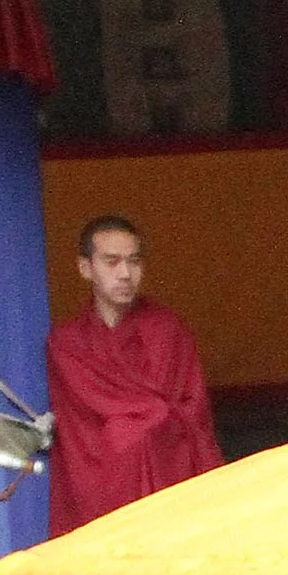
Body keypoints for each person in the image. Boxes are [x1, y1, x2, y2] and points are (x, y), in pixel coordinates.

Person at [44, 215, 222, 538]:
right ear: (85, 268)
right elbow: (78, 431)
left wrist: (147, 423)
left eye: (134, 262)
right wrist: (144, 422)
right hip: (101, 491)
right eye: (112, 262)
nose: (125, 274)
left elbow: (191, 411)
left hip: (172, 485)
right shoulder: (67, 344)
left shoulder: (169, 331)